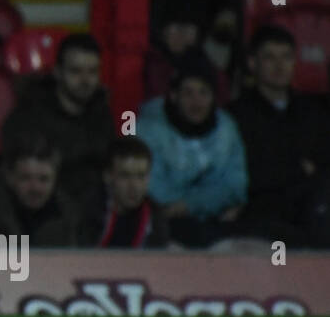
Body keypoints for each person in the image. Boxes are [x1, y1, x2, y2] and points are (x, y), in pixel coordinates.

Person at [228, 24, 330, 247]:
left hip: (311, 213)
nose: (279, 66)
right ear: (252, 63)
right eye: (270, 58)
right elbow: (248, 175)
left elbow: (323, 168)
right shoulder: (235, 116)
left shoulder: (315, 113)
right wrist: (298, 169)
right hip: (261, 217)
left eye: (286, 57)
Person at [137, 53, 248, 247]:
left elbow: (235, 186)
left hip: (218, 221)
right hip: (167, 225)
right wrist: (212, 201)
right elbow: (156, 191)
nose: (196, 102)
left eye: (203, 92)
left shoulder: (227, 127)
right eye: (188, 93)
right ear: (173, 95)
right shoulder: (147, 130)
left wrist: (190, 205)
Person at [2, 33, 115, 205]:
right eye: (76, 71)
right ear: (58, 72)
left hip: (94, 212)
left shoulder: (101, 113)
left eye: (92, 71)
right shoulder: (28, 116)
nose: (86, 80)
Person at [0, 133, 86, 246]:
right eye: (25, 178)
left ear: (55, 179)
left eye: (44, 179)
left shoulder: (70, 215)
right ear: (10, 177)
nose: (35, 188)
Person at [83, 136, 170, 249]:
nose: (134, 186)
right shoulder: (87, 212)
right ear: (107, 176)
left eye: (141, 176)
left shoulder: (155, 217)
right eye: (125, 176)